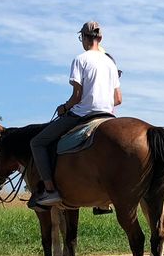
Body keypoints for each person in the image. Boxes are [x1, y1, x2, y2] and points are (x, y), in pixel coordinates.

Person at [27, 21, 122, 209]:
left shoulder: (80, 59)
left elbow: (77, 96)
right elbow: (118, 99)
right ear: (100, 38)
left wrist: (64, 107)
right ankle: (104, 203)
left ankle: (50, 190)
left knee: (37, 143)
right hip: (107, 115)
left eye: (82, 38)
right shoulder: (110, 63)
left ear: (84, 38)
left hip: (83, 115)